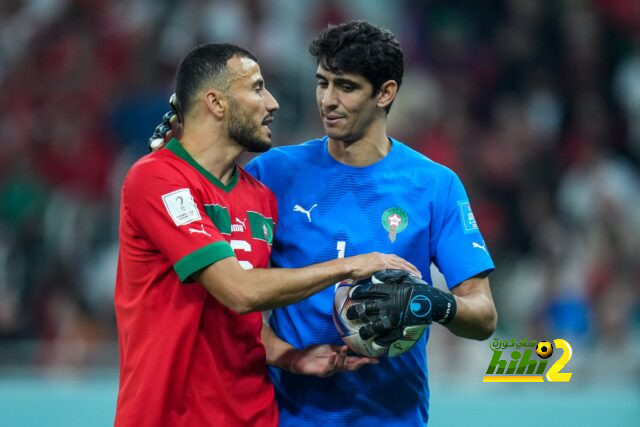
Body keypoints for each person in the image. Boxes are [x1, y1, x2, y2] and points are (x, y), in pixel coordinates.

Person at [151, 21, 497, 426]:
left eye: (346, 87)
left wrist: (433, 303)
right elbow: (227, 302)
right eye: (322, 83)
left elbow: (484, 316)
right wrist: (288, 355)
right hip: (290, 414)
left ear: (385, 93)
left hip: (393, 416)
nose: (327, 100)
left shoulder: (435, 185)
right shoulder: (271, 174)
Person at [115, 42, 420, 427]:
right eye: (258, 88)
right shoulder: (157, 178)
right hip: (167, 417)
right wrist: (351, 266)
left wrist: (290, 356)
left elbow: (246, 321)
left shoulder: (260, 197)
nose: (272, 103)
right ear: (216, 102)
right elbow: (239, 292)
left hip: (255, 416)